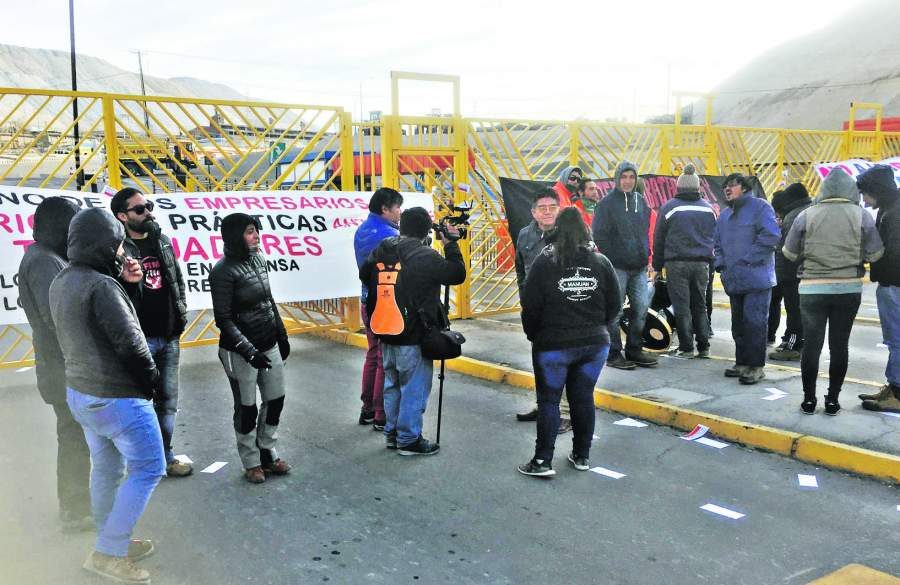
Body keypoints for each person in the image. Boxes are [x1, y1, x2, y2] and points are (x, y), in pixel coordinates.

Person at [49, 207, 163, 584]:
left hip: (83, 394)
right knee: (148, 467)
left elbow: (96, 327)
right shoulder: (101, 285)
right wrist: (150, 383)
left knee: (109, 468)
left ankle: (111, 539)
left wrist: (128, 285)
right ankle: (109, 552)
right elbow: (131, 344)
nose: (122, 253)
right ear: (105, 245)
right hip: (117, 396)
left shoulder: (64, 280)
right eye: (117, 246)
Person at [517, 208, 621, 477]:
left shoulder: (544, 262)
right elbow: (615, 305)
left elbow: (530, 306)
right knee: (583, 398)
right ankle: (582, 455)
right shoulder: (601, 262)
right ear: (585, 230)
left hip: (553, 344)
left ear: (557, 231)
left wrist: (534, 335)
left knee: (549, 401)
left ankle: (542, 461)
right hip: (594, 344)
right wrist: (600, 327)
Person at [359, 207, 467, 456]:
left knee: (392, 384)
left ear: (403, 226)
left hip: (385, 328)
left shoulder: (384, 247)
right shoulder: (424, 255)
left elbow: (365, 274)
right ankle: (408, 439)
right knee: (413, 387)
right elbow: (456, 274)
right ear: (426, 230)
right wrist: (450, 244)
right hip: (414, 333)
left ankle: (392, 433)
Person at [18, 197, 93, 533]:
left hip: (63, 366)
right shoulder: (44, 261)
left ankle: (79, 503)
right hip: (63, 369)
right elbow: (61, 317)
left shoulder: (46, 256)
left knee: (77, 435)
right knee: (75, 436)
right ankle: (76, 509)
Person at [783, 168, 884, 414]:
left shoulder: (807, 215)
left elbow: (789, 252)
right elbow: (876, 253)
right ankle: (832, 401)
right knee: (840, 345)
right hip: (848, 289)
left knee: (812, 346)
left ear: (824, 190)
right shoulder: (862, 216)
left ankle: (809, 400)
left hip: (812, 290)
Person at [111, 188, 192, 477]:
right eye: (140, 209)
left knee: (168, 401)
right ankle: (141, 461)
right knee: (138, 403)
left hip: (169, 335)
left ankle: (165, 455)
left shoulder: (163, 242)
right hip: (139, 340)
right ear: (123, 216)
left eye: (149, 206)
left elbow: (177, 280)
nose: (148, 212)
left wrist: (180, 315)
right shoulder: (117, 251)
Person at [210, 213, 291, 483]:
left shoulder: (259, 260)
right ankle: (251, 460)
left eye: (256, 230)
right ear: (235, 236)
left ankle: (267, 450)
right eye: (249, 231)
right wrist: (249, 351)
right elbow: (224, 319)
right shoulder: (222, 271)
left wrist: (282, 334)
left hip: (268, 344)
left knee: (275, 399)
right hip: (239, 352)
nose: (256, 236)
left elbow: (268, 301)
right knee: (247, 408)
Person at [714, 173, 780, 385]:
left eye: (732, 185)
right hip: (734, 279)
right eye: (725, 186)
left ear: (743, 187)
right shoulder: (724, 215)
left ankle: (755, 366)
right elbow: (717, 244)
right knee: (738, 325)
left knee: (755, 323)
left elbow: (770, 237)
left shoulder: (761, 208)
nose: (727, 189)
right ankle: (741, 362)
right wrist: (721, 265)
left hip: (757, 278)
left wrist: (747, 260)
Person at [591, 160, 658, 369]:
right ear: (617, 179)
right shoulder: (606, 205)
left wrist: (646, 256)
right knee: (615, 311)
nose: (628, 181)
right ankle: (613, 353)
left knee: (641, 308)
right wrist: (615, 257)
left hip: (638, 268)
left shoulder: (641, 202)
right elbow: (599, 236)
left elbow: (645, 232)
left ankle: (634, 349)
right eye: (624, 177)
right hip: (616, 268)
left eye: (631, 177)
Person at [513, 189, 570, 429]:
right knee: (541, 362)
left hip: (564, 311)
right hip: (537, 312)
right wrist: (526, 302)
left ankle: (565, 414)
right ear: (533, 212)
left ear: (559, 209)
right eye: (542, 208)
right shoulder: (525, 235)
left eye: (552, 207)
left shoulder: (569, 235)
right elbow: (520, 270)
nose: (547, 212)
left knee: (563, 363)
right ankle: (544, 406)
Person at [652, 164, 716, 358]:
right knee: (700, 305)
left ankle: (686, 347)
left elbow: (659, 238)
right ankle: (704, 347)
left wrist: (657, 265)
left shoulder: (669, 207)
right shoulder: (708, 209)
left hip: (676, 263)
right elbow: (715, 237)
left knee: (682, 306)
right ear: (698, 188)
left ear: (678, 188)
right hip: (702, 263)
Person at [353, 187, 403, 429]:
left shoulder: (362, 229)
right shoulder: (388, 236)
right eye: (397, 208)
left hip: (366, 299)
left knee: (373, 354)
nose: (399, 213)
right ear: (385, 208)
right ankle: (382, 413)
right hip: (384, 302)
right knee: (385, 358)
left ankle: (367, 409)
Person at [857, 165, 900, 413]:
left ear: (876, 190)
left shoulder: (894, 213)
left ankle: (897, 393)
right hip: (890, 283)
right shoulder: (889, 208)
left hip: (895, 283)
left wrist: (872, 256)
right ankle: (893, 386)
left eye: (865, 193)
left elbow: (894, 253)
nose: (864, 199)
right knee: (894, 339)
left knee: (896, 339)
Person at [768, 183, 812, 361]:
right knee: (799, 310)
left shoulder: (793, 216)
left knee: (794, 310)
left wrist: (780, 276)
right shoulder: (810, 210)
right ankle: (791, 340)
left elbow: (785, 250)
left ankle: (794, 345)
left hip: (792, 272)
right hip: (806, 271)